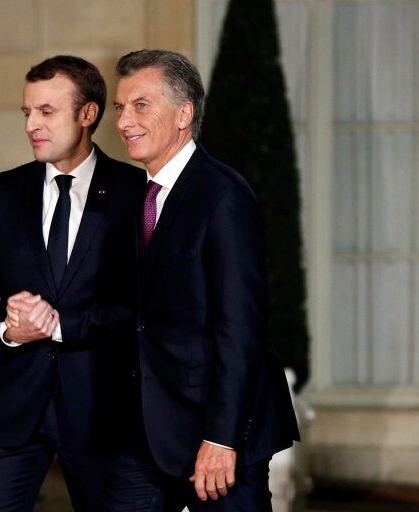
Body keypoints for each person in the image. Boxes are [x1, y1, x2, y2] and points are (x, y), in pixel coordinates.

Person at [104, 49, 300, 512]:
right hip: (144, 428)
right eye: (119, 107)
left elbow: (241, 330)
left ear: (184, 114)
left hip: (217, 434)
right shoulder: (135, 197)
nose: (124, 120)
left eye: (141, 105)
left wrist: (222, 437)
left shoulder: (223, 196)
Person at [0, 55, 144, 512]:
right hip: (12, 406)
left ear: (87, 114)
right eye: (27, 112)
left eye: (47, 112)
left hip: (102, 408)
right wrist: (6, 327)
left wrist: (62, 325)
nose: (32, 126)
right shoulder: (1, 191)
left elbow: (141, 302)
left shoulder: (134, 192)